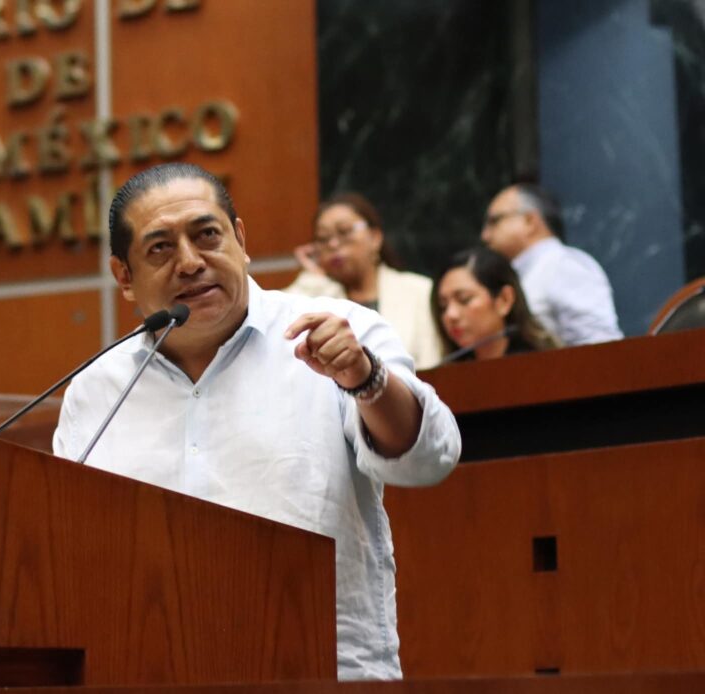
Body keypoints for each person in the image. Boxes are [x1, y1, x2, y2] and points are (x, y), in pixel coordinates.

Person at [53, 163, 461, 680]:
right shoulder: (98, 390)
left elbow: (429, 460)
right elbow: (71, 550)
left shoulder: (338, 332)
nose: (190, 262)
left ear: (240, 241)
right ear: (124, 277)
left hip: (320, 675)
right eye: (160, 248)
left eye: (207, 235)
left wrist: (365, 379)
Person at [285, 193, 443, 369]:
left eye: (344, 231)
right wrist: (312, 278)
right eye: (323, 239)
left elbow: (434, 365)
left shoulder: (420, 291)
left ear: (375, 237)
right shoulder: (316, 295)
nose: (333, 244)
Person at [481, 183, 623, 345]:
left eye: (494, 221)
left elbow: (599, 345)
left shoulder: (564, 264)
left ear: (529, 220)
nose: (485, 236)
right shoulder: (529, 270)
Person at [432, 247, 561, 362]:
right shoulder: (445, 374)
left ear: (504, 300)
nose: (451, 315)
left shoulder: (545, 365)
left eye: (464, 299)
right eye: (443, 306)